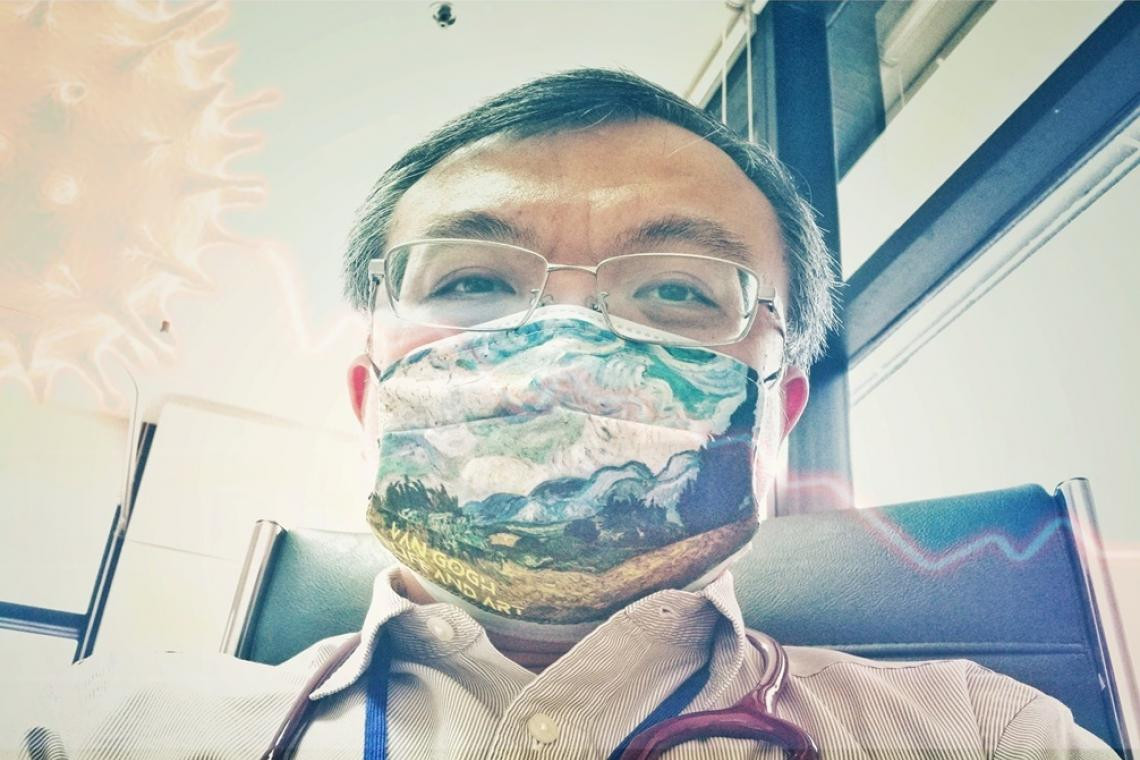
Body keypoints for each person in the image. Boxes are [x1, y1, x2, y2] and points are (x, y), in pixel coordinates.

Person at [16, 68, 1115, 759]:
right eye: (471, 281)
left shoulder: (987, 737)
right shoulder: (100, 731)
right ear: (369, 396)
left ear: (775, 417)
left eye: (677, 289)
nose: (564, 344)